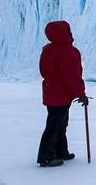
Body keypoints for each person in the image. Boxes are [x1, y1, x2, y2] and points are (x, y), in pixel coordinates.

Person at [37, 20, 89, 167]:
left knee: (59, 124)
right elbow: (71, 76)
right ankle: (46, 157)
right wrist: (81, 93)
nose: (71, 33)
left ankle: (61, 152)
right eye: (68, 31)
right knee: (55, 125)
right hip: (60, 94)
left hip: (51, 93)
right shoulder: (67, 52)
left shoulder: (48, 49)